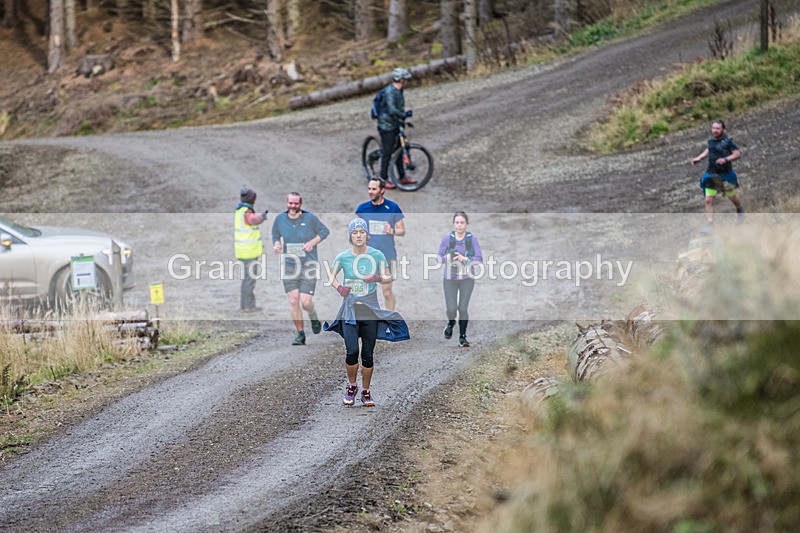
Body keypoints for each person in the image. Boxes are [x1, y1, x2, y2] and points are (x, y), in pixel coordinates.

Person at [325, 218, 409, 407]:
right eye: (355, 233)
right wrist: (340, 288)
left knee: (368, 355)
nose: (359, 235)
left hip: (370, 310)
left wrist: (377, 277)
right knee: (352, 351)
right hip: (350, 310)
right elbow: (330, 275)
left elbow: (388, 276)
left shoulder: (377, 255)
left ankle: (366, 391)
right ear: (350, 236)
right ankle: (352, 386)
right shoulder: (343, 257)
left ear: (367, 235)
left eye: (362, 232)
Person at [271, 192, 330, 346]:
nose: (293, 206)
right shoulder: (280, 219)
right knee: (293, 300)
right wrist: (277, 244)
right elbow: (275, 235)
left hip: (308, 265)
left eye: (296, 203)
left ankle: (312, 314)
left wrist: (313, 242)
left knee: (305, 301)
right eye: (290, 203)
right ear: (286, 203)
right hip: (290, 266)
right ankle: (300, 334)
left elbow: (324, 232)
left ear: (300, 204)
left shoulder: (310, 218)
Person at [355, 177, 405, 310]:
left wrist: (391, 230)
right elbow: (356, 230)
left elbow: (402, 230)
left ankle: (389, 321)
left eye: (374, 189)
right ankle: (366, 323)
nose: (370, 192)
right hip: (367, 257)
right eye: (369, 189)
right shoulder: (362, 209)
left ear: (382, 190)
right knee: (364, 292)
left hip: (387, 256)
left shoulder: (392, 207)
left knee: (387, 292)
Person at [437, 211, 483, 348]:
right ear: (453, 224)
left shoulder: (472, 240)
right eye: (457, 222)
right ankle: (451, 322)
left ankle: (463, 337)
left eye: (462, 222)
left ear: (466, 224)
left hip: (467, 278)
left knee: (463, 308)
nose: (459, 225)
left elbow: (479, 258)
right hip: (450, 279)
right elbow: (439, 258)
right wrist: (448, 257)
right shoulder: (447, 239)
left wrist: (466, 259)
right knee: (452, 309)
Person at [691, 119, 745, 231]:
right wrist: (699, 158)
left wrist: (725, 159)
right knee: (708, 200)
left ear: (723, 129)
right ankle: (710, 224)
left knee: (731, 195)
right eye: (713, 128)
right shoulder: (711, 140)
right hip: (711, 174)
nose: (715, 131)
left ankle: (740, 208)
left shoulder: (728, 141)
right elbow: (709, 149)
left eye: (717, 128)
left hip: (725, 175)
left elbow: (737, 154)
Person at [376, 67, 416, 189]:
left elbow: (397, 109)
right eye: (405, 79)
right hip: (386, 126)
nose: (407, 82)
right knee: (387, 152)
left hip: (395, 124)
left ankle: (402, 177)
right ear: (400, 80)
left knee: (399, 150)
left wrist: (402, 119)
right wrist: (404, 115)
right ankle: (382, 179)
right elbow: (392, 110)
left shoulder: (399, 91)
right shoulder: (389, 92)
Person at [234, 187, 268, 313]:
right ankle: (248, 306)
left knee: (247, 279)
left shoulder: (240, 210)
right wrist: (262, 217)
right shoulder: (247, 211)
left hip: (243, 251)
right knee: (249, 279)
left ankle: (246, 305)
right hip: (249, 251)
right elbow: (253, 220)